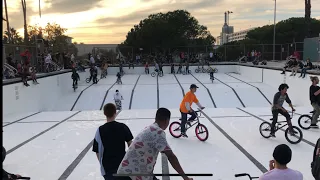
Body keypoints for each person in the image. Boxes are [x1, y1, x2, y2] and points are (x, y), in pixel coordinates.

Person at [117, 108, 193, 180]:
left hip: (129, 173)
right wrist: (185, 178)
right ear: (167, 121)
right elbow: (170, 156)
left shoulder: (150, 128)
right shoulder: (158, 132)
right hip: (131, 176)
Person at [93, 103, 133, 180]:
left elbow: (97, 151)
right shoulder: (122, 127)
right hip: (123, 165)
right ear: (115, 112)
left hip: (107, 168)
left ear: (104, 113)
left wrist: (102, 164)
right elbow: (131, 146)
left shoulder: (100, 130)